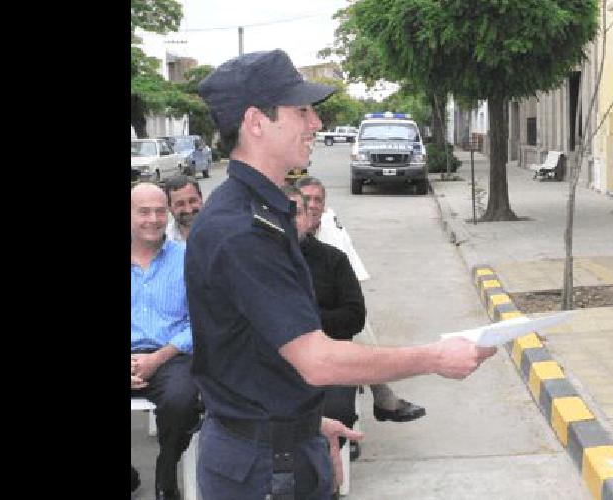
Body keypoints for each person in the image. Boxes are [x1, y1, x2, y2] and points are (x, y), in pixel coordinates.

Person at [187, 49, 496, 500]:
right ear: (256, 122)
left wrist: (305, 427)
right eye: (301, 111)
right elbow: (317, 360)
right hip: (264, 469)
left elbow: (254, 353)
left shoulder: (262, 212)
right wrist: (434, 357)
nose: (314, 123)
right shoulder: (241, 230)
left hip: (282, 449)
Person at [295, 175, 427, 423]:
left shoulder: (331, 236)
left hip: (330, 330)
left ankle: (373, 400)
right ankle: (382, 395)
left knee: (358, 324)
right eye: (306, 201)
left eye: (317, 200)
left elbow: (351, 295)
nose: (312, 206)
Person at [283, 185, 366, 462]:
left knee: (334, 410)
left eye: (296, 213)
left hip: (329, 358)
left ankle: (324, 477)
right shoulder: (252, 263)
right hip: (272, 367)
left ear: (309, 217)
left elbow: (355, 316)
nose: (289, 220)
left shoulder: (333, 260)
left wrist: (308, 322)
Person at [131, 182, 202, 500]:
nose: (153, 219)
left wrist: (157, 358)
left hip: (171, 355)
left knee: (182, 399)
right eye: (143, 211)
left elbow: (199, 321)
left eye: (160, 211)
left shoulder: (187, 260)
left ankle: (166, 469)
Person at [163, 175, 203, 242]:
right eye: (180, 204)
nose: (188, 210)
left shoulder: (221, 232)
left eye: (192, 201)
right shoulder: (163, 240)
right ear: (169, 207)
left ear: (201, 198)